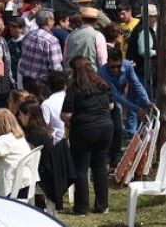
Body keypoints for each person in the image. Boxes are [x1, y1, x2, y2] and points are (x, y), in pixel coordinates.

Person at [61, 56, 113, 215]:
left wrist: (68, 120)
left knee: (81, 169)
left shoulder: (74, 87)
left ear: (75, 70)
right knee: (100, 167)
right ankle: (102, 205)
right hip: (105, 127)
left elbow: (67, 114)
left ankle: (82, 207)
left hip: (84, 129)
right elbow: (111, 105)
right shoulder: (102, 84)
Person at [98, 50, 153, 170]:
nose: (116, 69)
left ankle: (115, 157)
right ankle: (107, 154)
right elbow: (115, 95)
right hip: (104, 101)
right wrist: (136, 109)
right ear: (108, 63)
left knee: (117, 129)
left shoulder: (127, 66)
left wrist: (146, 101)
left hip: (115, 100)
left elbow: (136, 84)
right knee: (110, 127)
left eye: (118, 66)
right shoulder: (102, 72)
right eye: (113, 67)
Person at [19, 10, 64, 92]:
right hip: (41, 83)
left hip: (26, 79)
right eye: (53, 19)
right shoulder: (52, 40)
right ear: (48, 21)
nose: (54, 21)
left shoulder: (29, 35)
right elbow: (56, 67)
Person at [41, 70, 67, 144]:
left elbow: (45, 128)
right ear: (65, 85)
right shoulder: (72, 99)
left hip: (56, 145)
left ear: (48, 86)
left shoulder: (46, 104)